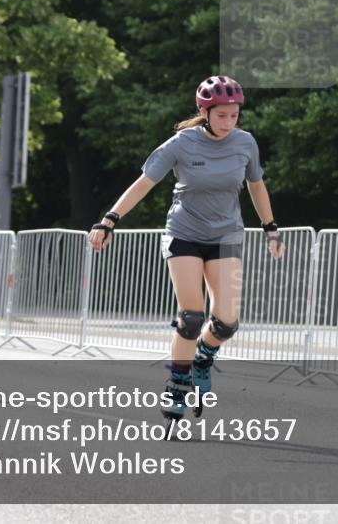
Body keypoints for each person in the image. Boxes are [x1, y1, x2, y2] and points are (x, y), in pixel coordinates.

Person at [87, 76, 285, 420]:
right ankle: (178, 383)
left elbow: (256, 186)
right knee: (192, 317)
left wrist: (271, 228)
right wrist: (109, 219)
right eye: (221, 115)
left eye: (234, 115)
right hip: (185, 233)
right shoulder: (181, 144)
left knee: (226, 323)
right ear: (204, 111)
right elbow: (144, 183)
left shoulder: (245, 143)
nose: (229, 122)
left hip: (226, 237)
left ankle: (203, 357)